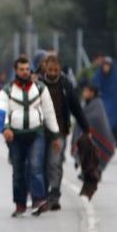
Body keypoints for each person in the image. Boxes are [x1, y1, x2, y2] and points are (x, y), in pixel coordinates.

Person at [0, 55, 60, 217]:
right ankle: (20, 204)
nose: (25, 72)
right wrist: (5, 128)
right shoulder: (7, 90)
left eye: (27, 69)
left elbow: (49, 111)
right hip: (15, 136)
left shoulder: (40, 88)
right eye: (21, 69)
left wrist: (55, 135)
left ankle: (38, 200)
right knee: (18, 171)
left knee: (35, 166)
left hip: (36, 134)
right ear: (15, 71)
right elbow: (0, 111)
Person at [41, 55, 90, 212]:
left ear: (60, 69)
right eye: (50, 70)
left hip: (60, 130)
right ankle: (41, 193)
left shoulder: (65, 84)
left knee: (55, 162)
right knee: (41, 163)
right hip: (41, 131)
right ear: (45, 68)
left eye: (56, 70)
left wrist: (86, 129)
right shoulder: (38, 84)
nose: (53, 73)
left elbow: (76, 107)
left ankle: (54, 195)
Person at [93, 57, 117, 160]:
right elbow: (94, 89)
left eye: (108, 66)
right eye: (104, 65)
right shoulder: (98, 77)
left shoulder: (115, 78)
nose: (106, 68)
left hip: (114, 107)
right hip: (101, 104)